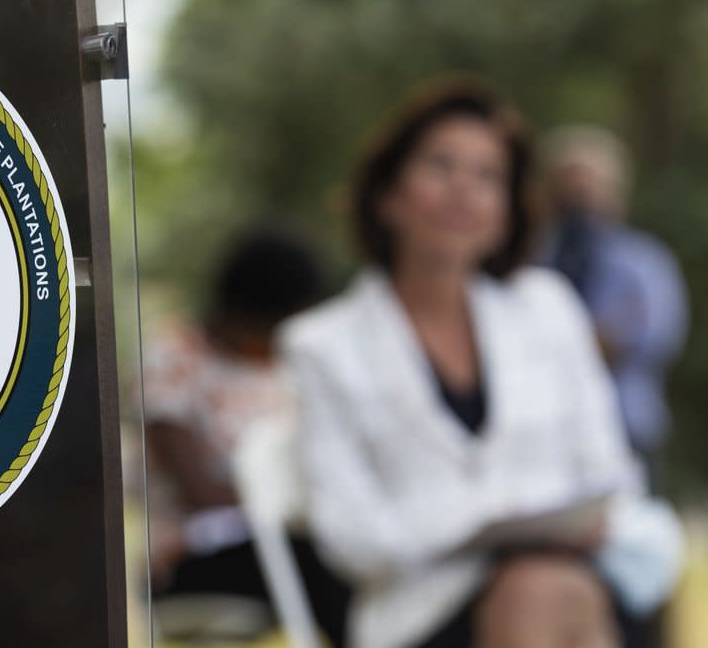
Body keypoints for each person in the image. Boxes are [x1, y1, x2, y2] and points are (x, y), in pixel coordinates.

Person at [279, 81, 683, 648]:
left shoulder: (548, 307)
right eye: (441, 165)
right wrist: (488, 526)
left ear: (505, 212)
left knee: (546, 587)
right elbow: (352, 540)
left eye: (488, 175)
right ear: (388, 195)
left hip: (569, 581)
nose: (463, 190)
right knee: (539, 589)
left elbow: (610, 475)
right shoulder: (321, 346)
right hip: (424, 611)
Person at [143, 225, 351, 646]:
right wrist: (293, 499)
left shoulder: (285, 370)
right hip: (192, 559)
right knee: (330, 573)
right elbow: (197, 490)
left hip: (288, 547)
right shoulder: (176, 361)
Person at [541, 126, 688, 477]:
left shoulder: (646, 263)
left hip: (628, 427)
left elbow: (646, 340)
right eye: (568, 189)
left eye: (588, 189)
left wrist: (557, 341)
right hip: (546, 435)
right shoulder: (534, 261)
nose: (578, 201)